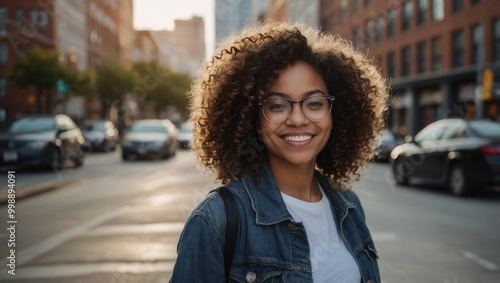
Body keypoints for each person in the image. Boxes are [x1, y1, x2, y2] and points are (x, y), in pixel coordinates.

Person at [170, 21, 388, 283]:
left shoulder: (349, 207)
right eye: (277, 106)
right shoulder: (215, 221)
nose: (297, 119)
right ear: (253, 119)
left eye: (315, 103)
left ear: (335, 114)